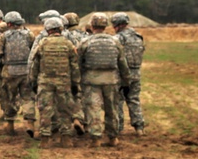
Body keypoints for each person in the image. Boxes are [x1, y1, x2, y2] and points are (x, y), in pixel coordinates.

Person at [78, 13, 131, 147]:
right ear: (106, 26)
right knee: (111, 109)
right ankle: (113, 137)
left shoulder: (85, 42)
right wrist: (126, 82)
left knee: (93, 109)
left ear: (92, 25)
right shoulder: (115, 42)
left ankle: (96, 138)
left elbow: (77, 63)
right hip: (111, 80)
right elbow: (122, 64)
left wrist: (76, 79)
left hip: (91, 80)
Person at [29, 17, 80, 147]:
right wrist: (75, 83)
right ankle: (66, 138)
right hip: (64, 81)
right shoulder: (68, 44)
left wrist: (33, 81)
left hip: (45, 81)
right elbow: (74, 66)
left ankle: (45, 139)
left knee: (45, 110)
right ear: (60, 29)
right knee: (65, 109)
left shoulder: (43, 43)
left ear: (48, 29)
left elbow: (35, 65)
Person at [0, 11, 35, 135]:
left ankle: (10, 125)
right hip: (26, 71)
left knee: (9, 97)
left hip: (9, 71)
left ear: (9, 23)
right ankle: (30, 123)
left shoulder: (4, 37)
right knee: (27, 98)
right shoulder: (29, 35)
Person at [112, 12, 146, 136]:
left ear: (118, 25)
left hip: (121, 74)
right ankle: (139, 127)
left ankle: (118, 127)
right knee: (134, 99)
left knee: (118, 100)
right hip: (136, 73)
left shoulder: (118, 38)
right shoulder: (138, 37)